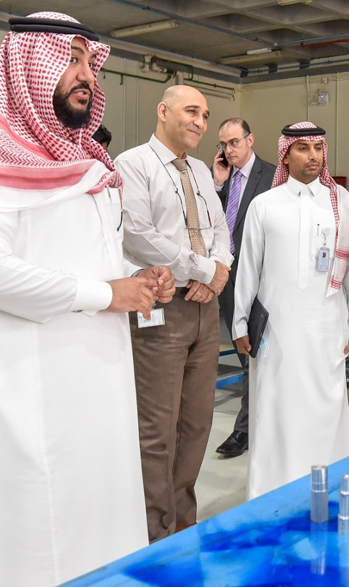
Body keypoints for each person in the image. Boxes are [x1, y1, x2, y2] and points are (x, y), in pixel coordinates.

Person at [0, 12, 175, 586]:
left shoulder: (84, 162)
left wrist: (138, 278)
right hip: (22, 395)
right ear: (29, 65)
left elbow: (89, 255)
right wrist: (107, 294)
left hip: (96, 390)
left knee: (99, 531)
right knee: (28, 543)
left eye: (88, 63)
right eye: (69, 60)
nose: (85, 76)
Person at [115, 85, 233, 541]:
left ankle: (183, 520)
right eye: (191, 112)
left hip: (205, 309)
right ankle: (152, 531)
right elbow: (140, 238)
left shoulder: (202, 170)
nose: (200, 122)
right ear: (163, 112)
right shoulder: (133, 164)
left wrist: (218, 271)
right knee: (157, 427)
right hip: (161, 308)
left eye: (205, 115)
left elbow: (220, 228)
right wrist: (205, 268)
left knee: (197, 422)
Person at [233, 121, 349, 498]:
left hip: (328, 326)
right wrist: (240, 322)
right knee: (277, 407)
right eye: (303, 148)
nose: (312, 156)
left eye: (318, 149)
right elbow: (249, 268)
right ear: (285, 154)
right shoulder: (265, 205)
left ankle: (327, 486)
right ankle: (272, 489)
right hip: (278, 329)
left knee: (326, 406)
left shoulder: (342, 203)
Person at [212, 117, 276, 459]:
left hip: (262, 278)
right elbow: (214, 222)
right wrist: (218, 184)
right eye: (223, 144)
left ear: (250, 140)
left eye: (234, 142)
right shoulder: (221, 180)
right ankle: (257, 419)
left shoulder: (273, 175)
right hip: (227, 276)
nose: (228, 149)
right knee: (244, 352)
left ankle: (245, 428)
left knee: (255, 352)